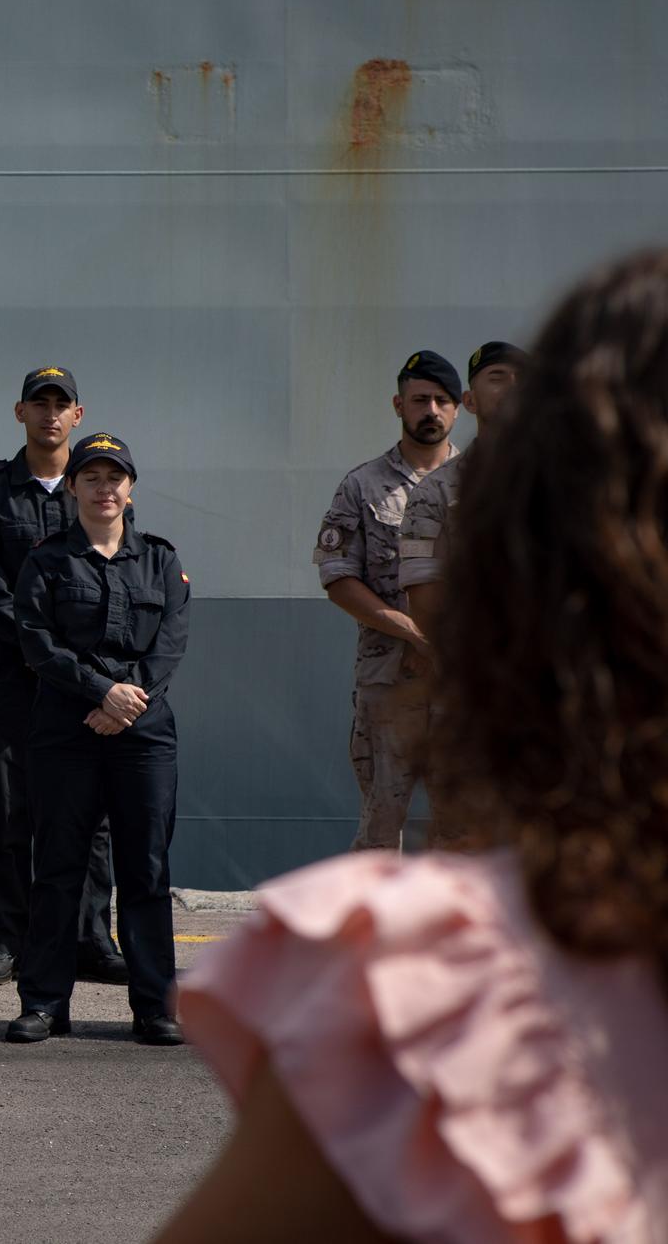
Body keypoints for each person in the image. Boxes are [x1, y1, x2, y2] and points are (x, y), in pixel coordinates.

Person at [156, 252, 668, 1243]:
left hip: (465, 759)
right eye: (436, 391)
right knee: (390, 823)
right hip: (400, 686)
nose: (446, 405)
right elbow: (344, 578)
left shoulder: (405, 977)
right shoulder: (377, 484)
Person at [5, 434, 191, 1046]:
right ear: (76, 487)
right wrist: (98, 692)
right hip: (66, 729)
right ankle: (44, 1003)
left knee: (147, 868)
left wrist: (124, 699)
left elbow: (168, 645)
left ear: (130, 488)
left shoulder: (162, 561)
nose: (104, 487)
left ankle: (155, 1008)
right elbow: (36, 639)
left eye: (115, 477)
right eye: (92, 477)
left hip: (142, 730)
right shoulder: (48, 560)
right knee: (58, 866)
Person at [0, 366, 124, 989]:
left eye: (62, 404)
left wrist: (84, 671)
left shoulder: (98, 485)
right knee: (8, 808)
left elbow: (117, 577)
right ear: (19, 412)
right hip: (17, 674)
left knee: (92, 812)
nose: (50, 415)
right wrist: (46, 654)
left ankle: (91, 938)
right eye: (39, 404)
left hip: (87, 681)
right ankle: (7, 938)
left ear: (78, 416)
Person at [312, 351, 461, 852]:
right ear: (398, 404)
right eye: (420, 399)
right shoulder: (362, 485)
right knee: (381, 825)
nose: (432, 410)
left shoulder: (486, 482)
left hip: (463, 683)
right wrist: (412, 631)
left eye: (442, 400)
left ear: (460, 408)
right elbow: (337, 577)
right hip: (388, 680)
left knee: (462, 826)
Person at [398, 342, 525, 645]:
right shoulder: (434, 491)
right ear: (469, 401)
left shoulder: (572, 482)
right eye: (497, 377)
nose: (513, 387)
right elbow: (424, 596)